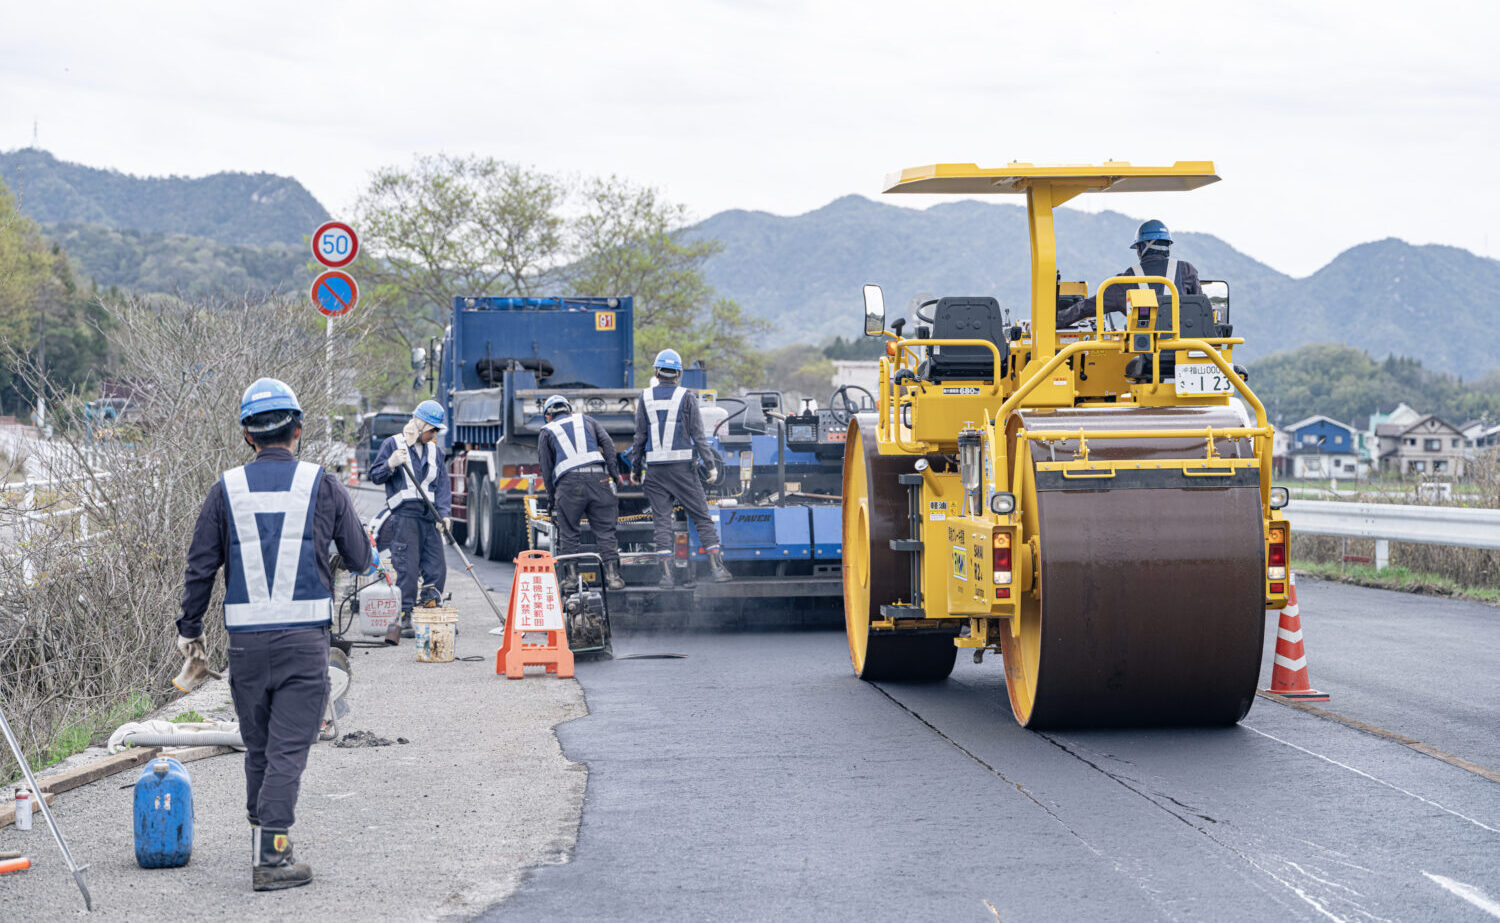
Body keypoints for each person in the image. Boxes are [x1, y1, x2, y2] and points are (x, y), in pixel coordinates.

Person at [178, 377, 375, 891]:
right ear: (299, 430)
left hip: (245, 646)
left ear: (248, 436)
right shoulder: (323, 484)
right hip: (303, 643)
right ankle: (272, 859)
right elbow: (359, 557)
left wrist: (189, 629)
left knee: (260, 747)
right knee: (288, 750)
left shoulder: (226, 488)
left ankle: (261, 837)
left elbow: (200, 566)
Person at [627, 349, 733, 588]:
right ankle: (717, 569)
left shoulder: (644, 397)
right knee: (702, 518)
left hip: (655, 472)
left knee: (662, 522)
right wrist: (711, 465)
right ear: (679, 373)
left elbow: (639, 437)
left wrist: (635, 469)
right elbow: (698, 435)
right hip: (683, 471)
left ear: (656, 372)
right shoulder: (687, 397)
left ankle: (666, 576)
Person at [369, 399, 452, 640]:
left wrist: (444, 515)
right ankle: (404, 616)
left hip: (429, 518)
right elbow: (375, 475)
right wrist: (390, 464)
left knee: (437, 567)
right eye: (431, 429)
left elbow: (443, 486)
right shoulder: (393, 445)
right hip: (404, 518)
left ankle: (430, 611)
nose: (433, 434)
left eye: (436, 430)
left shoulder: (436, 451)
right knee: (407, 567)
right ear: (419, 424)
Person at [537, 394, 627, 590]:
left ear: (547, 416)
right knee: (605, 531)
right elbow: (609, 446)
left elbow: (546, 467)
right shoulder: (587, 420)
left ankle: (570, 578)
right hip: (599, 481)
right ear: (569, 410)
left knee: (569, 532)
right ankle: (613, 577)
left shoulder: (546, 431)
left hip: (569, 487)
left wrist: (551, 499)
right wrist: (614, 475)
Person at [1057, 219, 1203, 328]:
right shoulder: (1186, 270)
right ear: (1167, 246)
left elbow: (1086, 307)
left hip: (1147, 357)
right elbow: (1202, 309)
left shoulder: (1125, 281)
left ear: (1141, 248)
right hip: (1187, 352)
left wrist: (1054, 322)